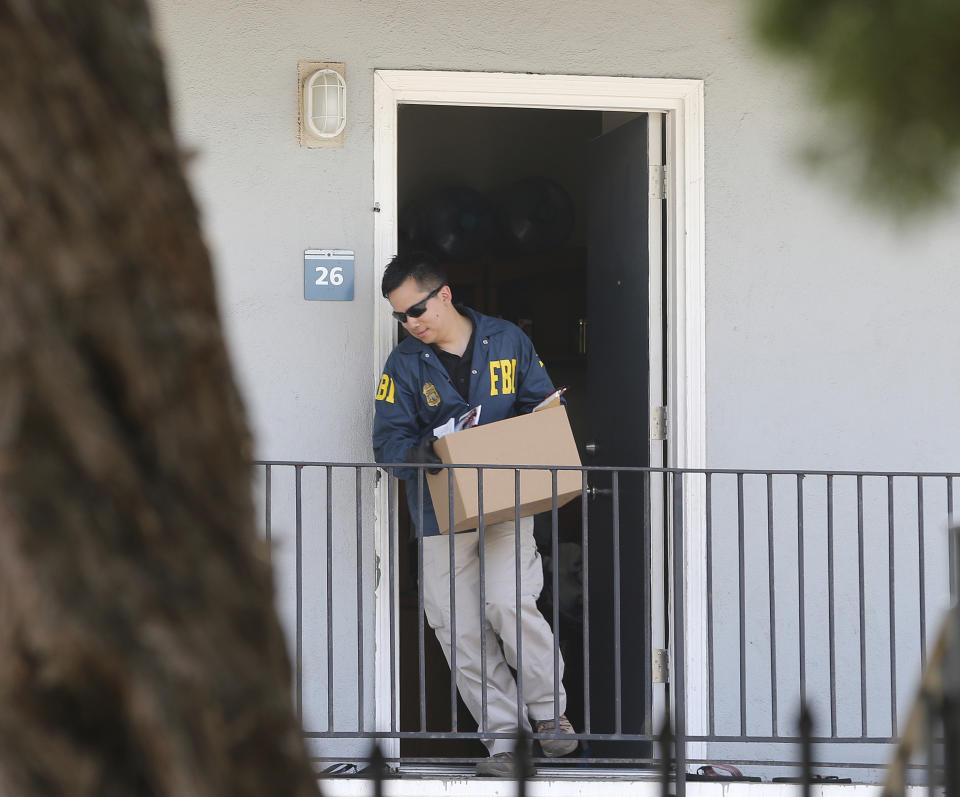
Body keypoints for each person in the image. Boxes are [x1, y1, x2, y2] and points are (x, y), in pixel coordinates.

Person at [372, 251, 578, 777]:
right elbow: (387, 441)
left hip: (507, 500)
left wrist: (542, 424)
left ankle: (551, 716)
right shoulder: (402, 364)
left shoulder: (507, 339)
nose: (410, 323)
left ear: (443, 294)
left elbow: (540, 406)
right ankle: (504, 744)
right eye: (400, 316)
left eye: (415, 309)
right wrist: (417, 453)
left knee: (509, 602)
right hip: (440, 511)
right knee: (456, 626)